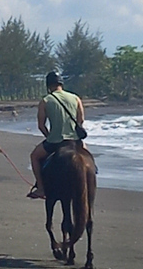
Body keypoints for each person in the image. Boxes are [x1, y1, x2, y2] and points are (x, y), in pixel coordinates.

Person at [27, 71, 85, 199]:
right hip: (74, 140)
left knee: (35, 157)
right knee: (87, 159)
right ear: (61, 83)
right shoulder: (75, 98)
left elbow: (41, 125)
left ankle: (41, 188)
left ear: (48, 85)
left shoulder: (45, 100)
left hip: (56, 141)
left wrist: (49, 136)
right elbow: (81, 121)